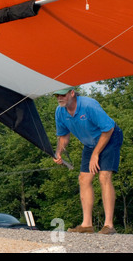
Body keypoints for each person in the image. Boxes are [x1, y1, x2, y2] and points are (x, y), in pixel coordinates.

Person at [53, 87, 123, 234]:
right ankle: (87, 225)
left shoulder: (89, 105)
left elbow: (108, 129)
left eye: (63, 95)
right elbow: (63, 136)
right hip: (90, 143)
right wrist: (59, 152)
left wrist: (95, 154)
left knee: (104, 176)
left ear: (72, 93)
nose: (60, 98)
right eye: (57, 95)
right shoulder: (60, 112)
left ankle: (109, 225)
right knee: (84, 179)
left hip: (110, 137)